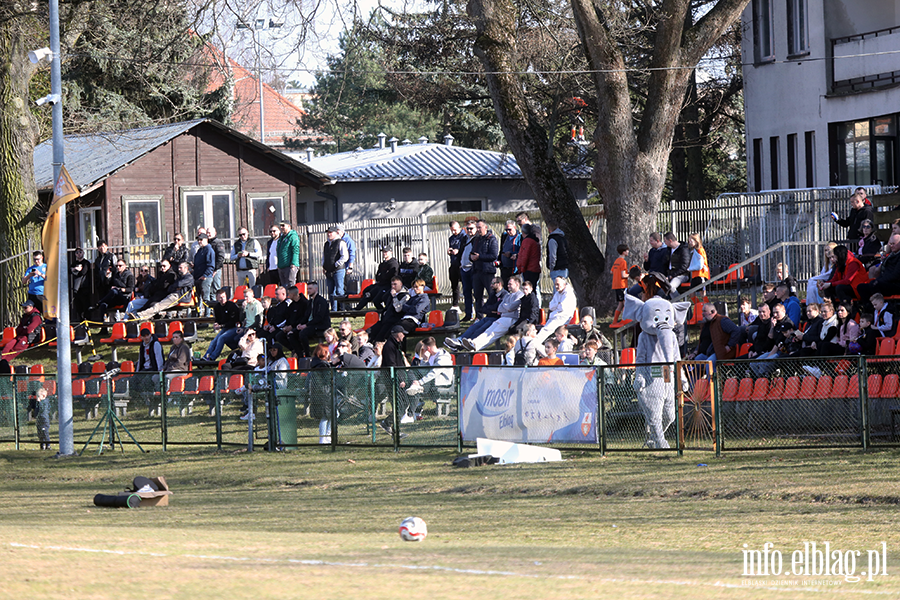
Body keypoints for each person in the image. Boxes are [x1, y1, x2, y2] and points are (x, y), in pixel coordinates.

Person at [455, 275, 524, 352]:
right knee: (488, 331)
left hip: (511, 319)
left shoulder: (520, 295)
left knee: (493, 334)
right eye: (508, 284)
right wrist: (506, 307)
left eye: (510, 284)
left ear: (517, 284)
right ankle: (473, 342)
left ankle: (476, 346)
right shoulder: (508, 295)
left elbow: (511, 307)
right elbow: (499, 308)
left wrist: (505, 306)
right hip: (502, 318)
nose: (508, 286)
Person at [443, 277, 506, 350]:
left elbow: (497, 307)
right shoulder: (493, 294)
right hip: (488, 317)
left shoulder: (504, 295)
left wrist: (491, 309)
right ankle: (459, 340)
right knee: (473, 327)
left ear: (499, 284)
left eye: (493, 283)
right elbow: (483, 309)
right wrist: (492, 310)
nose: (491, 285)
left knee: (480, 330)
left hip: (496, 319)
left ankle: (462, 345)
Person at [400, 336, 454, 419]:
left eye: (424, 349)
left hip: (440, 382)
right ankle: (410, 412)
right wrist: (424, 360)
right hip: (429, 382)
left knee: (414, 389)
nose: (424, 351)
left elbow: (434, 373)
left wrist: (419, 382)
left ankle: (410, 415)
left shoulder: (443, 358)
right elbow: (422, 371)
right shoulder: (430, 356)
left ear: (428, 348)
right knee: (411, 371)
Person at [372, 278, 429, 343]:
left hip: (413, 320)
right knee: (389, 330)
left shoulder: (424, 298)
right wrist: (411, 307)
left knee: (397, 330)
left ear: (423, 286)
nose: (415, 289)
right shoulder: (413, 298)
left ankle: (397, 347)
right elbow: (403, 308)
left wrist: (410, 308)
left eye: (417, 287)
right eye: (414, 287)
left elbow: (416, 310)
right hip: (405, 318)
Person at [288, 281, 330, 358]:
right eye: (307, 289)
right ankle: (300, 354)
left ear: (316, 289)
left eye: (310, 288)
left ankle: (307, 355)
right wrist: (300, 324)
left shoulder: (321, 301)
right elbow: (306, 316)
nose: (308, 290)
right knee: (292, 334)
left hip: (320, 325)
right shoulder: (310, 302)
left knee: (303, 333)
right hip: (310, 325)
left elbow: (319, 317)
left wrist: (306, 325)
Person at [201, 289, 242, 362]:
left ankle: (212, 358)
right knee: (214, 341)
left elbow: (234, 321)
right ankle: (206, 357)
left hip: (234, 327)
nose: (222, 299)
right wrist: (216, 324)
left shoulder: (232, 306)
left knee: (221, 338)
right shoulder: (217, 307)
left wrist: (221, 326)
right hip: (225, 328)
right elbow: (218, 319)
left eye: (224, 297)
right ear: (217, 298)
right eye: (220, 297)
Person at [535, 276, 577, 346]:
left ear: (564, 284)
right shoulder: (557, 293)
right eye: (555, 284)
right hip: (555, 315)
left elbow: (562, 307)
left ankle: (535, 343)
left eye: (558, 284)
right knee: (545, 329)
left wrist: (556, 305)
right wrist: (558, 304)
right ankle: (535, 343)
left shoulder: (568, 293)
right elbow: (551, 306)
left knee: (546, 329)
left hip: (564, 316)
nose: (556, 286)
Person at [857, 234, 900, 303]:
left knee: (876, 284)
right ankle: (869, 307)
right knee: (861, 287)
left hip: (895, 284)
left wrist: (880, 280)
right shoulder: (890, 255)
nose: (891, 246)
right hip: (885, 281)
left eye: (893, 244)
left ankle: (879, 306)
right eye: (890, 244)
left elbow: (896, 275)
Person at [354, 246, 399, 311]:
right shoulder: (382, 264)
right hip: (380, 285)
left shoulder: (393, 263)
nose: (384, 253)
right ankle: (357, 309)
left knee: (376, 301)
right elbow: (378, 276)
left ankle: (385, 312)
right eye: (383, 252)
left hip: (387, 285)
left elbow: (392, 276)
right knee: (367, 293)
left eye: (386, 252)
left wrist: (384, 277)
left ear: (391, 252)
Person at [470, 219, 499, 318]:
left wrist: (480, 257)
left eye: (480, 227)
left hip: (488, 271)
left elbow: (493, 255)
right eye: (477, 227)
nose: (478, 230)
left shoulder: (491, 239)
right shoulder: (476, 240)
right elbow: (472, 253)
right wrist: (471, 257)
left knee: (491, 294)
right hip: (477, 271)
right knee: (477, 296)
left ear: (485, 227)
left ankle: (492, 315)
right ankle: (479, 316)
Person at [307, 343, 335, 443]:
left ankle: (326, 436)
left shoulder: (315, 363)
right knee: (326, 416)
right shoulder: (322, 365)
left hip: (318, 392)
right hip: (325, 393)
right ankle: (324, 437)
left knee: (331, 414)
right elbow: (328, 379)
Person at [322, 225, 349, 310]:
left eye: (331, 232)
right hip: (329, 271)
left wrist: (336, 264)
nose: (329, 234)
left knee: (339, 290)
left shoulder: (340, 242)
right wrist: (324, 266)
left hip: (338, 270)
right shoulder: (326, 244)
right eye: (328, 232)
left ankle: (342, 309)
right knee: (331, 292)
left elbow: (345, 256)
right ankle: (334, 310)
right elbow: (324, 256)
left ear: (336, 233)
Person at [446, 221, 467, 310]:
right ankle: (455, 305)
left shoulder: (464, 236)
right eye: (452, 230)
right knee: (454, 286)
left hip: (462, 264)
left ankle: (469, 305)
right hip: (454, 263)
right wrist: (450, 251)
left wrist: (459, 251)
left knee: (466, 285)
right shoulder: (451, 238)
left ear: (459, 227)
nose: (453, 232)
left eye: (455, 230)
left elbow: (466, 249)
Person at [192, 233, 215, 311]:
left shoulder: (209, 250)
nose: (199, 241)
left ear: (206, 240)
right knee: (197, 298)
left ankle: (207, 315)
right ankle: (199, 314)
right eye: (198, 240)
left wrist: (205, 275)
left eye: (201, 240)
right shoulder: (200, 250)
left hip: (205, 278)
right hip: (198, 277)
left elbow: (211, 266)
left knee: (206, 299)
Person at [459, 221, 477, 320]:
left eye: (471, 228)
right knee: (466, 292)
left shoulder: (477, 239)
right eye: (468, 228)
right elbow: (461, 251)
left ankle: (478, 315)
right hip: (464, 268)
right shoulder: (465, 238)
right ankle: (468, 314)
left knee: (477, 293)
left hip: (473, 268)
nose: (469, 230)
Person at [516, 223, 541, 290]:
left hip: (529, 269)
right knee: (533, 288)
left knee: (528, 289)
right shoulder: (535, 240)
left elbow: (525, 256)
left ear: (523, 232)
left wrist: (522, 268)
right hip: (534, 269)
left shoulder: (527, 241)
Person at [69, 247, 92, 321]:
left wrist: (75, 270)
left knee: (86, 304)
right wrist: (75, 269)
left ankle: (87, 320)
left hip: (84, 286)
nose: (79, 254)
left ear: (83, 253)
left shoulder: (86, 263)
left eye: (80, 252)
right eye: (77, 253)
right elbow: (69, 270)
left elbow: (83, 272)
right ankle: (80, 320)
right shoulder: (74, 263)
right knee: (78, 305)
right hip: (76, 287)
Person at [277, 221, 300, 287]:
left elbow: (295, 250)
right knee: (284, 286)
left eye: (283, 226)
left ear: (289, 226)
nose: (281, 227)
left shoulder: (292, 236)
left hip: (289, 266)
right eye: (280, 226)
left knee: (290, 284)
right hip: (282, 266)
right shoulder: (281, 238)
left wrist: (293, 263)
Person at [611, 243, 629, 319]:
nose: (628, 252)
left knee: (620, 303)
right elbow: (623, 275)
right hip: (622, 285)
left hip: (616, 284)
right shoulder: (623, 262)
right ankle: (625, 319)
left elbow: (611, 271)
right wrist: (630, 274)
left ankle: (615, 320)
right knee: (625, 303)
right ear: (624, 252)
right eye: (627, 250)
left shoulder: (616, 261)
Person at [206, 226, 227, 294]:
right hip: (208, 269)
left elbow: (220, 257)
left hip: (215, 269)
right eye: (207, 233)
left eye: (209, 233)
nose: (208, 234)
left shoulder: (218, 243)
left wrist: (215, 269)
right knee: (209, 289)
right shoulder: (206, 243)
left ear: (215, 233)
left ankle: (217, 300)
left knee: (216, 288)